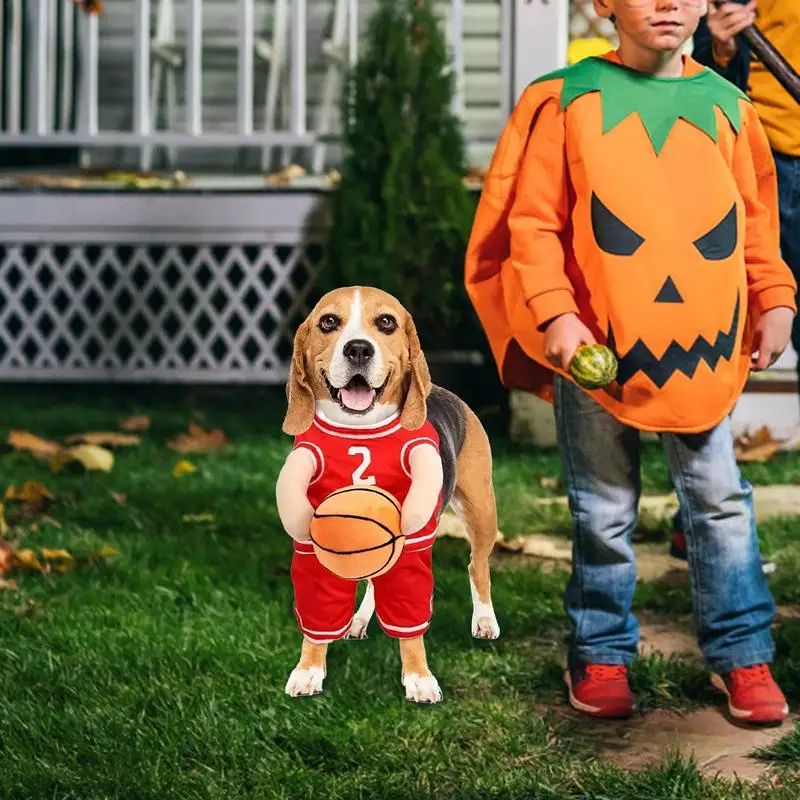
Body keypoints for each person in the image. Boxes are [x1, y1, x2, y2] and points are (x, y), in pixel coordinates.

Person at [464, 0, 796, 724]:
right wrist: (556, 313)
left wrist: (774, 296)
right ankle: (602, 649)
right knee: (603, 508)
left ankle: (742, 653)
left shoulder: (728, 108)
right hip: (598, 346)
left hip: (698, 348)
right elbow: (534, 221)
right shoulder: (567, 102)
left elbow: (754, 220)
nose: (670, 3)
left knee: (718, 499)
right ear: (603, 4)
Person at [669, 0, 799, 572]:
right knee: (720, 338)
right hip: (762, 157)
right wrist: (719, 48)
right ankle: (698, 520)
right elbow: (693, 82)